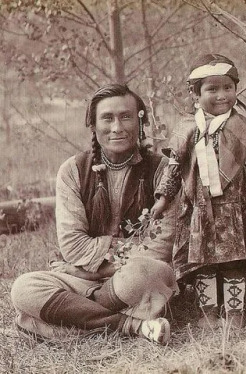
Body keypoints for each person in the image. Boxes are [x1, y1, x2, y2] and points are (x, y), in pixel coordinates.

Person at [10, 84, 179, 345]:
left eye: (126, 116)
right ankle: (132, 325)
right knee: (24, 287)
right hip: (82, 282)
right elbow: (73, 246)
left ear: (140, 120)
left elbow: (159, 248)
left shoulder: (164, 171)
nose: (117, 127)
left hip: (130, 280)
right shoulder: (72, 170)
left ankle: (58, 320)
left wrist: (89, 273)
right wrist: (99, 266)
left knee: (148, 271)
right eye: (107, 118)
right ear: (93, 124)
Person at [151, 53, 246, 328]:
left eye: (228, 87)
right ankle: (209, 314)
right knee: (204, 264)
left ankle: (234, 315)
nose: (222, 95)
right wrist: (163, 199)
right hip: (199, 211)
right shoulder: (187, 129)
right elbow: (174, 168)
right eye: (212, 89)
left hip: (235, 210)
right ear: (195, 94)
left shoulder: (242, 128)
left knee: (234, 262)